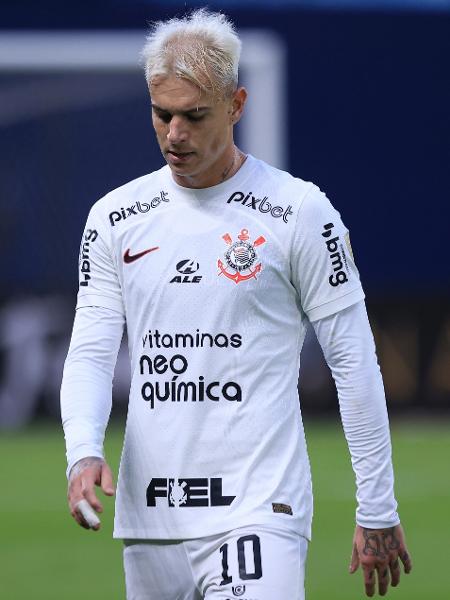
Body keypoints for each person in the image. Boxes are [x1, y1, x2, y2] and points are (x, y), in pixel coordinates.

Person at [61, 9, 412, 599]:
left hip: (258, 510)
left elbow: (354, 363)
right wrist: (82, 453)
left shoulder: (299, 213)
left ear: (236, 104)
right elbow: (92, 350)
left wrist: (376, 502)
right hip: (152, 519)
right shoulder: (114, 218)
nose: (175, 134)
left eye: (194, 116)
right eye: (162, 114)